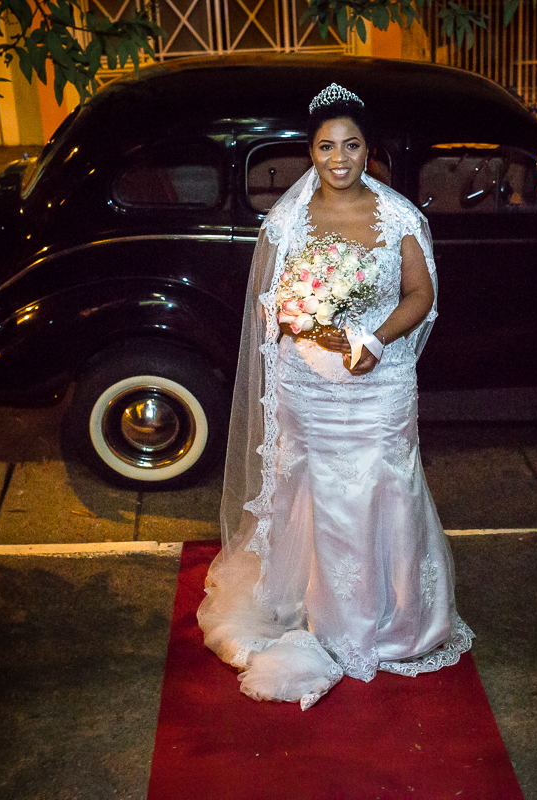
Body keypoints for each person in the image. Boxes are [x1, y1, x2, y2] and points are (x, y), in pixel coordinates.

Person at [197, 83, 473, 710]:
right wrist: (309, 322)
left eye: (351, 145)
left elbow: (420, 297)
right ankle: (311, 607)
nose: (339, 157)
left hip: (380, 384)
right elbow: (275, 308)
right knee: (312, 489)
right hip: (309, 386)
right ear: (310, 152)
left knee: (386, 483)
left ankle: (394, 619)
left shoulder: (400, 216)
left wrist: (374, 338)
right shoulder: (287, 220)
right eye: (327, 146)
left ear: (368, 150)